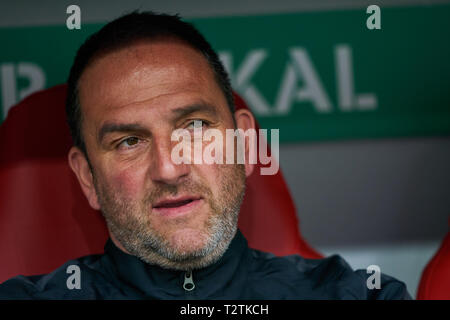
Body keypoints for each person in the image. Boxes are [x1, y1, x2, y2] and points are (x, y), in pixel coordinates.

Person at [0, 11, 411, 300]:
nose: (169, 167)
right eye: (129, 141)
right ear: (88, 178)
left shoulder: (359, 296)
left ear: (245, 144)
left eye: (194, 128)